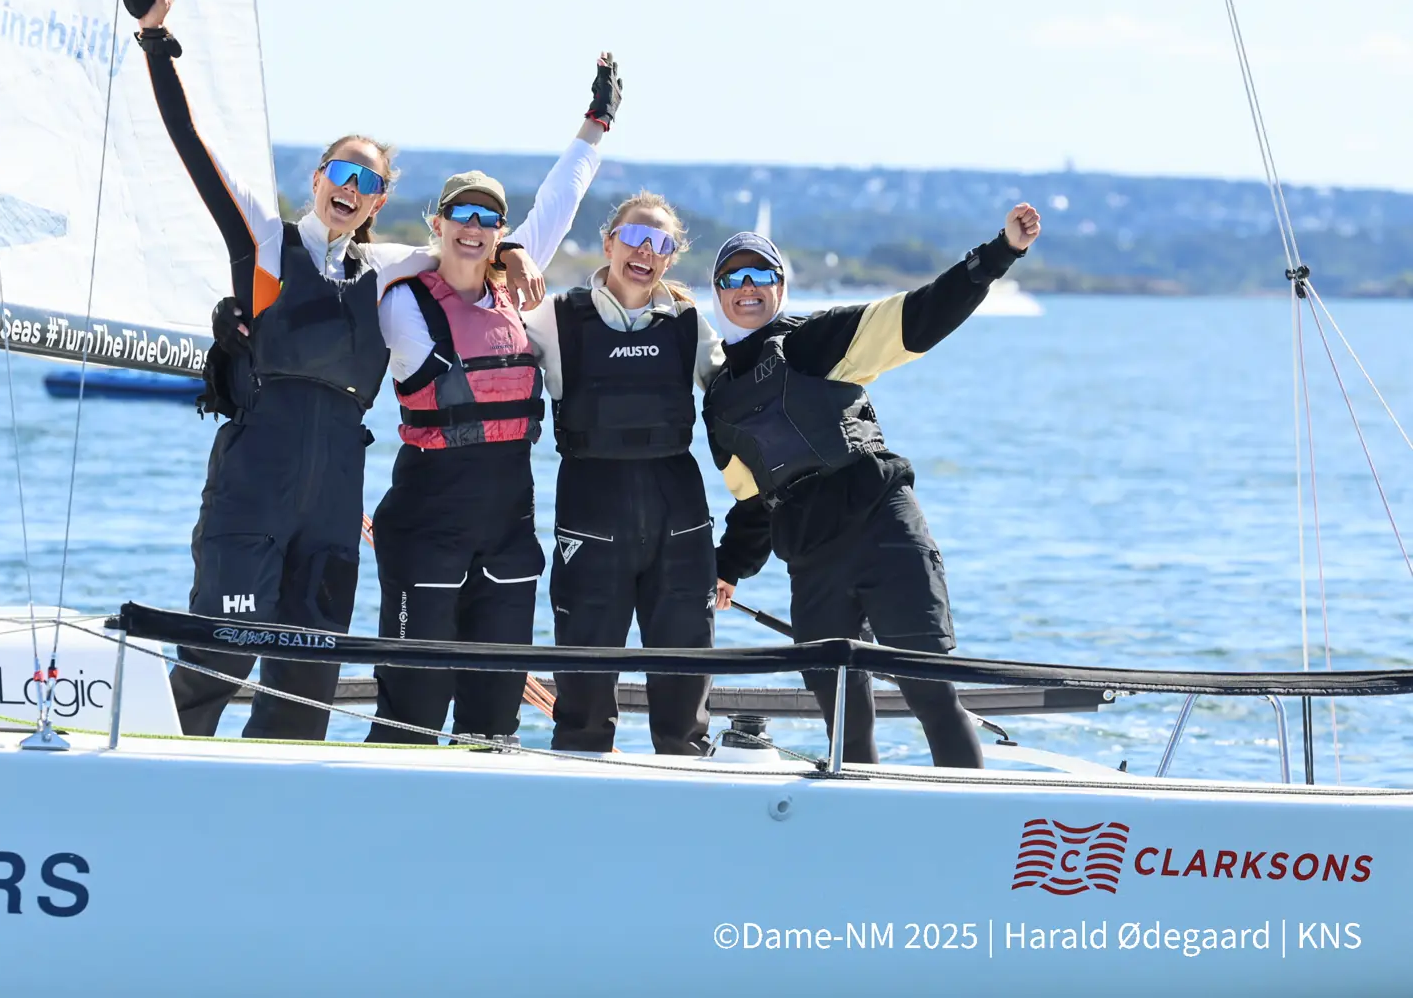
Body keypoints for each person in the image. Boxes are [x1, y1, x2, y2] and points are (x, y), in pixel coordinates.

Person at [132, 0, 552, 741]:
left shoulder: (387, 267)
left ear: (380, 200)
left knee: (306, 675)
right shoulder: (266, 241)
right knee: (223, 654)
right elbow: (194, 150)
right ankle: (159, 767)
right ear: (318, 177)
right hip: (256, 477)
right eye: (343, 172)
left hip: (334, 493)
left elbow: (465, 244)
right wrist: (158, 43)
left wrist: (513, 246)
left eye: (370, 181)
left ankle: (278, 817)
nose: (352, 189)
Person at [705, 204, 1042, 767]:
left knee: (931, 693)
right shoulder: (717, 402)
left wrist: (999, 253)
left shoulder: (815, 341)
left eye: (760, 275)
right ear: (718, 293)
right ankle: (864, 835)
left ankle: (972, 826)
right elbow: (753, 504)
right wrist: (727, 567)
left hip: (882, 528)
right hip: (812, 559)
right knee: (843, 717)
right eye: (733, 278)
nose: (747, 288)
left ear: (780, 286)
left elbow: (921, 315)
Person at [363, 69, 621, 746]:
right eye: (462, 218)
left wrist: (594, 127)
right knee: (411, 713)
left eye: (490, 221)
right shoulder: (402, 300)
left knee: (494, 720)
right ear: (438, 222)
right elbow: (362, 263)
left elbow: (559, 204)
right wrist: (486, 253)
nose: (474, 230)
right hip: (427, 525)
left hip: (508, 528)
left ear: (502, 230)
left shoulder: (517, 289)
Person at [521, 192, 724, 755]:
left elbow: (743, 405)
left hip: (678, 516)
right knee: (583, 695)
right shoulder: (556, 319)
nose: (645, 251)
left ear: (671, 257)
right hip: (591, 510)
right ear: (609, 242)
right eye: (635, 237)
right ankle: (582, 793)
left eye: (661, 244)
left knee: (684, 696)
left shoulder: (689, 325)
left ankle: (689, 791)